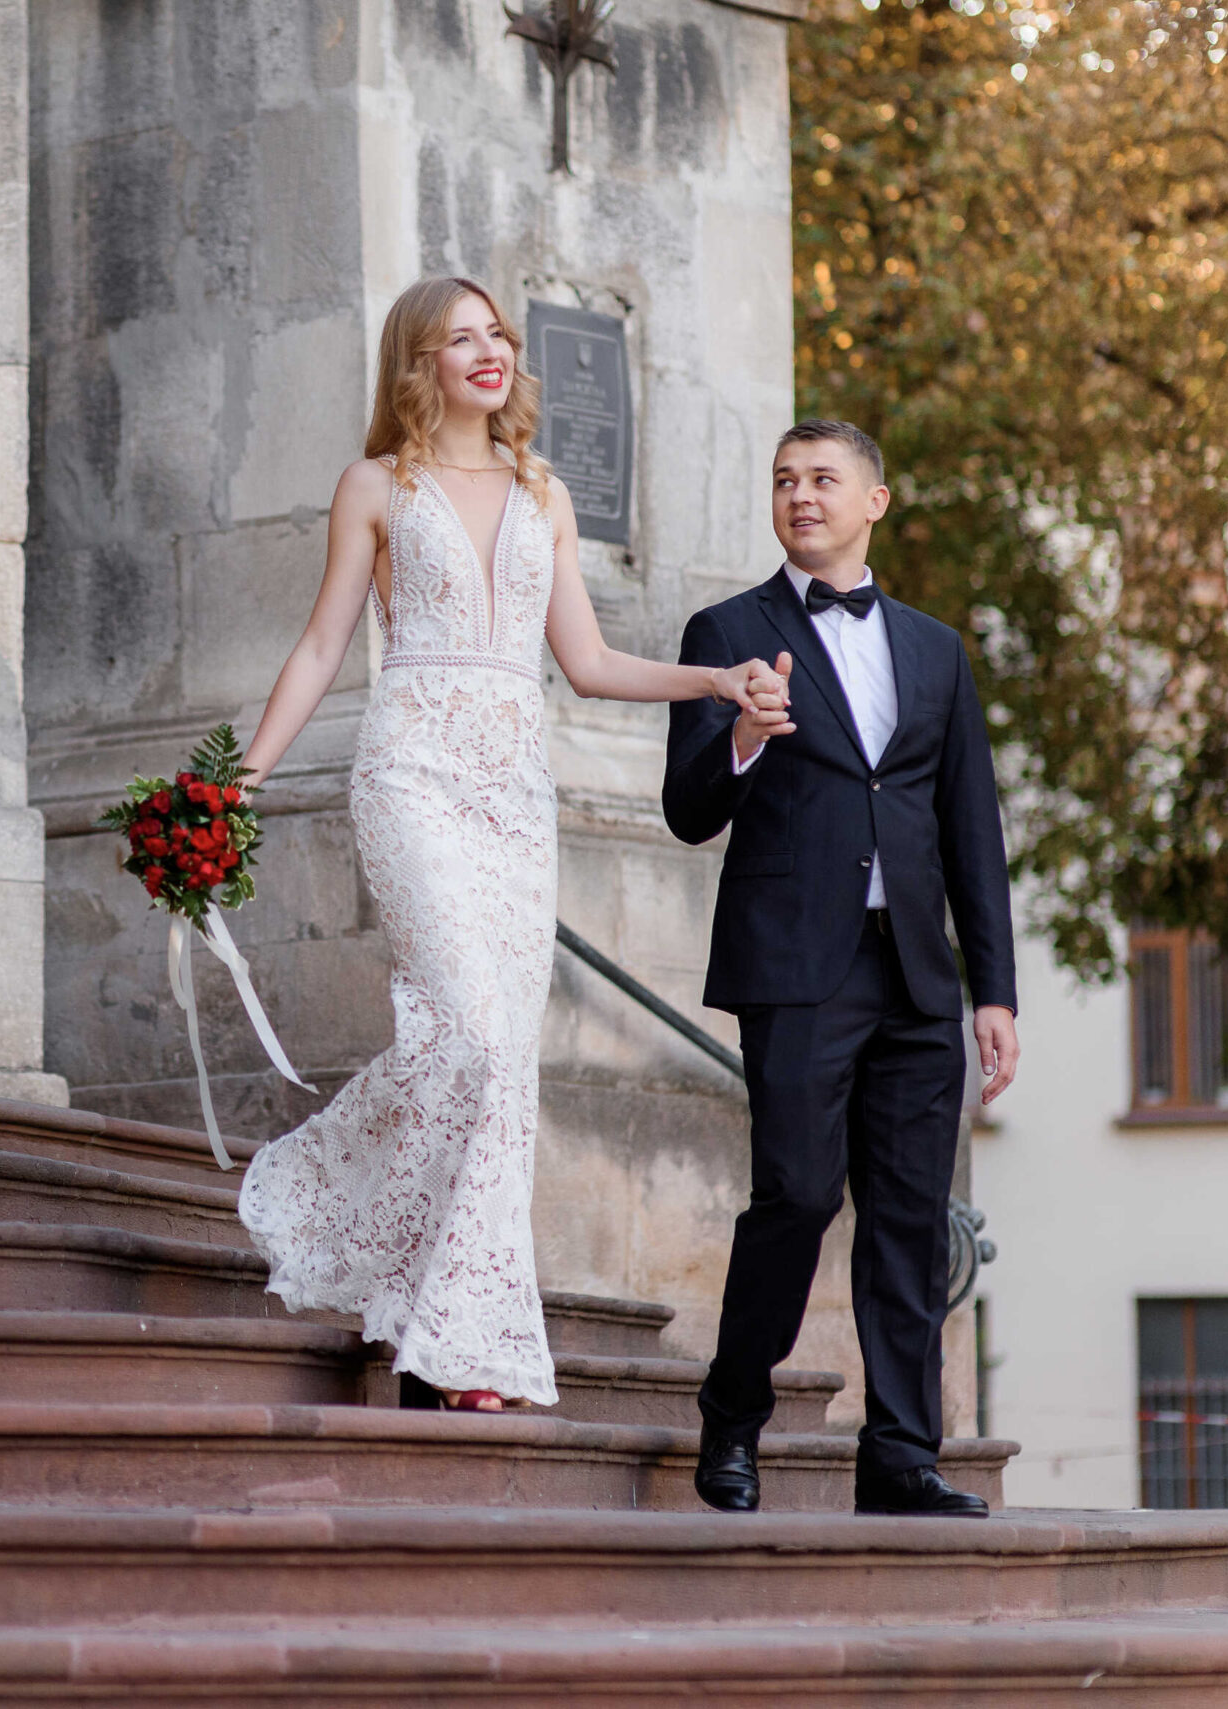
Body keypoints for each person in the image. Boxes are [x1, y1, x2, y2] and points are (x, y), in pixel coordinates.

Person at [233, 276, 789, 1413]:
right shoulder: (374, 486)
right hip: (412, 776)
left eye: (498, 334)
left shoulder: (545, 491)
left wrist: (714, 680)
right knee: (468, 1037)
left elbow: (586, 662)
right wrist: (240, 778)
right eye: (460, 337)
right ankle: (360, 1232)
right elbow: (322, 643)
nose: (488, 352)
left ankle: (452, 1338)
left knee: (501, 1068)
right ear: (418, 363)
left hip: (515, 799)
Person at [664, 419, 1019, 1516]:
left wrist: (993, 989)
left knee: (911, 1214)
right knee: (799, 1193)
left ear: (875, 499)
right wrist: (744, 736)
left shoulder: (935, 649)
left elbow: (971, 825)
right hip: (795, 967)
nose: (799, 495)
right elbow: (686, 810)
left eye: (822, 479)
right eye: (783, 479)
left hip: (916, 971)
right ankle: (732, 1420)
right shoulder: (725, 631)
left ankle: (903, 1454)